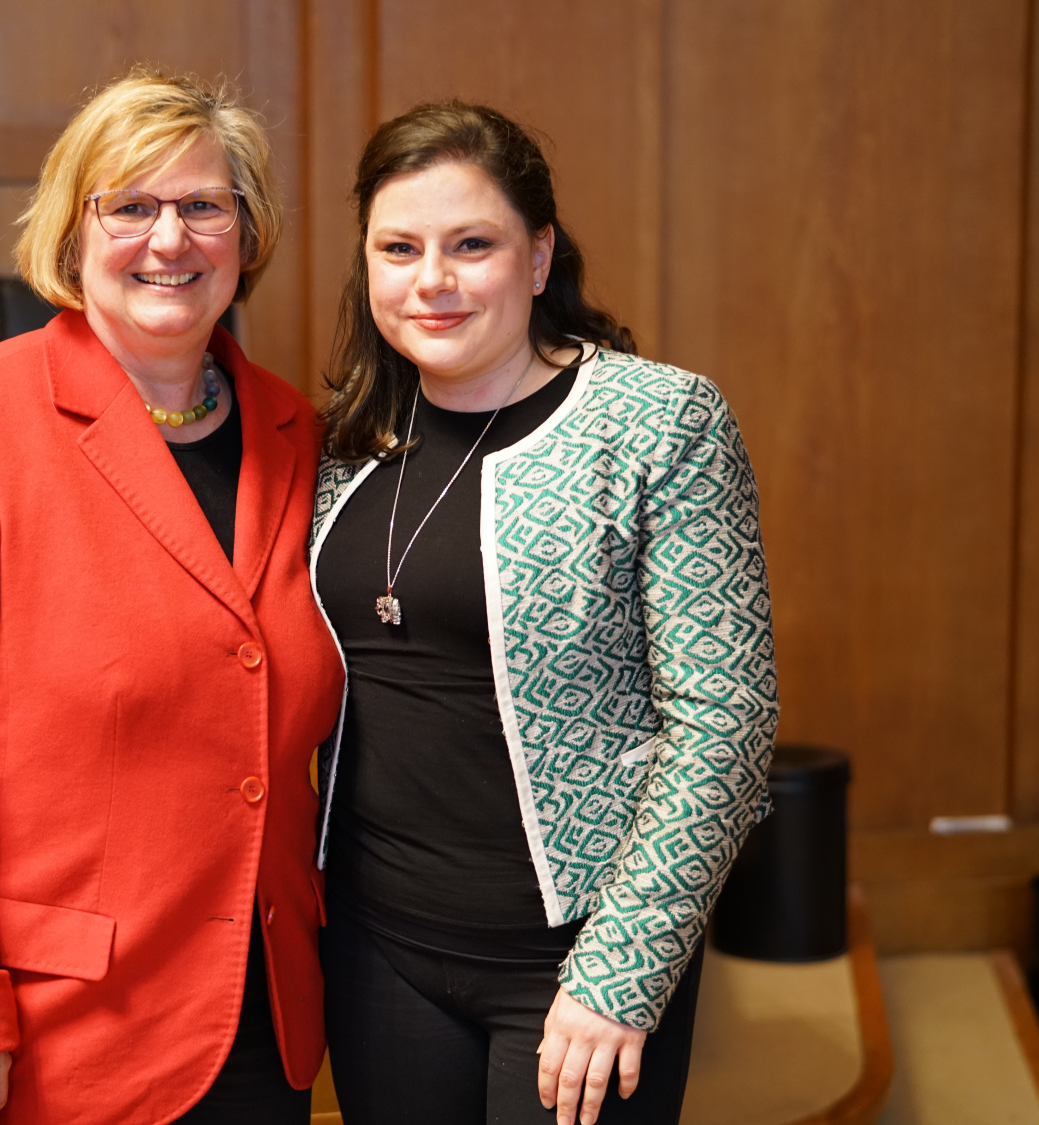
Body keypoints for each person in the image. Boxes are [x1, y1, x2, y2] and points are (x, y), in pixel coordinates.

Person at [0, 69, 344, 1125]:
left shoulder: (297, 434)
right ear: (73, 235)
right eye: (132, 207)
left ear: (247, 236)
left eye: (204, 206)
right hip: (38, 1038)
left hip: (254, 1025)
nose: (170, 239)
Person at [310, 101, 778, 1125]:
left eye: (471, 244)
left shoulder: (660, 423)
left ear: (537, 257)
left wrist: (624, 970)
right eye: (398, 248)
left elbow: (726, 723)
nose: (430, 280)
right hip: (376, 943)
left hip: (576, 957)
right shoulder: (346, 433)